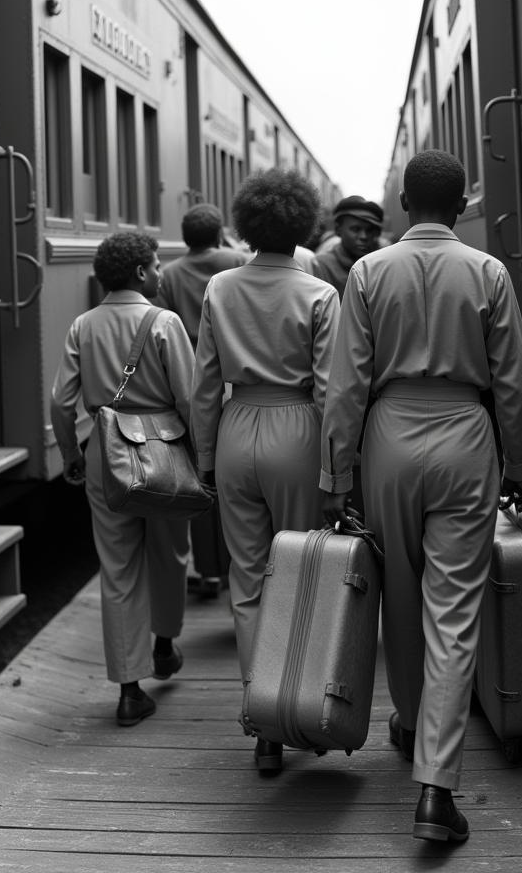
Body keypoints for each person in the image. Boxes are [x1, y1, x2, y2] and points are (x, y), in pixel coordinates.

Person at [320, 150, 522, 843]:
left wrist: (338, 476)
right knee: (454, 611)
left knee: (401, 594)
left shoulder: (366, 272)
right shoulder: (487, 272)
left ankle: (410, 720)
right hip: (465, 438)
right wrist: (521, 462)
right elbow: (516, 386)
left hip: (387, 436)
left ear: (407, 204)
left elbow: (345, 385)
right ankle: (436, 790)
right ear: (461, 201)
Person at [191, 168, 340, 775]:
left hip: (236, 427)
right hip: (298, 429)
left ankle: (262, 725)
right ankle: (294, 709)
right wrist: (337, 471)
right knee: (300, 575)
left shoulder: (221, 288)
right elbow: (331, 391)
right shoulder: (317, 294)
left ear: (247, 226)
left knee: (247, 581)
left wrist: (204, 457)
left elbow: (204, 383)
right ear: (304, 226)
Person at [50, 232, 195, 728]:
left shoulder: (82, 325)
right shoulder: (164, 322)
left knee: (117, 568)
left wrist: (72, 452)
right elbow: (189, 399)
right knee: (171, 551)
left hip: (104, 454)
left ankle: (130, 692)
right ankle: (163, 645)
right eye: (156, 266)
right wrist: (205, 458)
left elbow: (60, 402)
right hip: (165, 450)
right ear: (139, 272)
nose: (160, 273)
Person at [156, 204, 246, 599]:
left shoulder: (171, 272)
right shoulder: (238, 260)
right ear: (217, 234)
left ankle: (208, 571)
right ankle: (236, 566)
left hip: (192, 381)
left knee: (200, 476)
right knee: (238, 483)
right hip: (237, 378)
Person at [156, 204, 247, 348]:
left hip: (190, 358)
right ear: (219, 236)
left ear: (185, 237)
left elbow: (162, 324)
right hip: (233, 354)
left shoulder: (168, 274)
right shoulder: (240, 261)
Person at [312, 195, 385, 299]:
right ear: (338, 230)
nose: (363, 236)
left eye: (369, 231)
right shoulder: (322, 265)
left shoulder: (382, 265)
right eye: (355, 229)